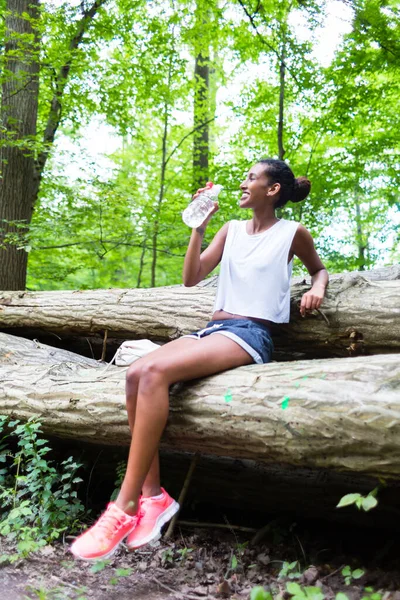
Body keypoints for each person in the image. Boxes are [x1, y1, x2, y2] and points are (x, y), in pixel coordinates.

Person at [70, 158, 329, 561]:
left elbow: (319, 270)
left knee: (154, 370)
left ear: (273, 189)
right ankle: (153, 497)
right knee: (136, 373)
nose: (243, 184)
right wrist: (199, 229)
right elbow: (192, 277)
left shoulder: (292, 233)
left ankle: (124, 507)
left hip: (251, 334)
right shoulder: (231, 230)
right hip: (212, 330)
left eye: (251, 178)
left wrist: (318, 288)